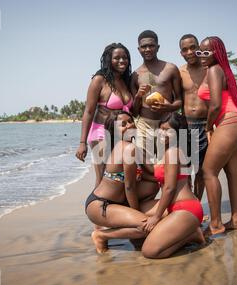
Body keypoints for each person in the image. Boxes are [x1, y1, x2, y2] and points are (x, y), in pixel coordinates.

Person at [197, 36, 237, 235]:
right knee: (233, 173)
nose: (202, 56)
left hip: (229, 122)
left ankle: (215, 224)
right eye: (200, 52)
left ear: (217, 52)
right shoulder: (225, 71)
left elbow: (216, 104)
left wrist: (208, 127)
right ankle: (236, 220)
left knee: (208, 172)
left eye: (206, 52)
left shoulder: (214, 70)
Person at [85, 112, 158, 253]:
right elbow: (129, 187)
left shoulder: (133, 148)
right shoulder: (127, 148)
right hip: (101, 205)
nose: (129, 125)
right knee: (145, 226)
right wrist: (136, 213)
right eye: (123, 124)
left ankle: (130, 221)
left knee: (155, 193)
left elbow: (153, 177)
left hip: (120, 202)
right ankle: (101, 236)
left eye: (131, 121)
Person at [140, 113, 205, 259]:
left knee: (149, 251)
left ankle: (191, 235)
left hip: (185, 208)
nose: (162, 133)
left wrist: (156, 217)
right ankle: (185, 231)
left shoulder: (173, 152)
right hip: (175, 206)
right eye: (161, 129)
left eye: (168, 130)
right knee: (139, 208)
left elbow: (169, 188)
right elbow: (161, 177)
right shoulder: (168, 151)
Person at [76, 43, 133, 187]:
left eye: (125, 57)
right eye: (117, 58)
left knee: (119, 177)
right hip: (101, 134)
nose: (122, 61)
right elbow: (88, 111)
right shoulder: (99, 80)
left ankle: (114, 207)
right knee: (103, 178)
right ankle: (95, 207)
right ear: (109, 60)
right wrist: (82, 143)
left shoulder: (125, 80)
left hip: (122, 135)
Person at [131, 30, 183, 164]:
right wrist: (138, 96)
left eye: (151, 46)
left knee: (165, 164)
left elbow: (180, 101)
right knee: (143, 165)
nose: (147, 49)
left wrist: (169, 107)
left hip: (165, 123)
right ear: (138, 49)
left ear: (158, 47)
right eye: (143, 47)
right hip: (144, 125)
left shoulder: (170, 68)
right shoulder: (135, 75)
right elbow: (134, 112)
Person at [179, 34, 208, 200]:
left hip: (206, 125)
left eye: (193, 47)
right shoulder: (180, 72)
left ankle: (197, 202)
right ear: (181, 52)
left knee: (202, 170)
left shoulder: (209, 69)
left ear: (199, 48)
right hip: (185, 125)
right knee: (184, 169)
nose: (189, 52)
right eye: (185, 49)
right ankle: (188, 205)